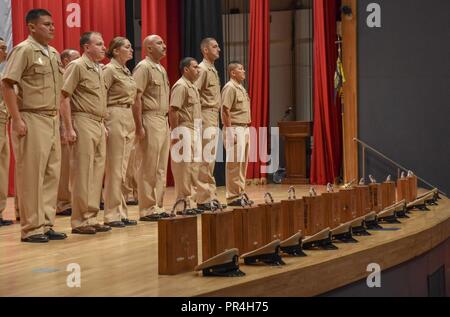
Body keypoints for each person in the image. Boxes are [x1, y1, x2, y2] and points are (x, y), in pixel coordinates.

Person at [1, 9, 67, 242]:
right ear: (31, 27)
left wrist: (60, 123)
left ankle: (46, 223)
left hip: (51, 118)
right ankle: (31, 228)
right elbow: (8, 85)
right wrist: (17, 119)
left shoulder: (53, 53)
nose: (52, 28)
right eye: (46, 24)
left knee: (51, 174)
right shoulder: (24, 50)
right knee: (32, 174)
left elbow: (58, 92)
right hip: (31, 117)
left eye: (53, 24)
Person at [60, 32, 110, 235]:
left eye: (103, 43)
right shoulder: (77, 66)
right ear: (86, 47)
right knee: (83, 172)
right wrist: (69, 127)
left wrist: (104, 123)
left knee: (97, 173)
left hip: (98, 123)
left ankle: (91, 216)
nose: (103, 47)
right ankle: (79, 220)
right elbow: (64, 98)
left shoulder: (98, 68)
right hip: (83, 121)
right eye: (99, 44)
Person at [132, 35, 171, 221]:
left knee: (161, 167)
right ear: (148, 48)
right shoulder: (143, 67)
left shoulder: (161, 69)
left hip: (163, 120)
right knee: (148, 165)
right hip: (150, 118)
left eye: (163, 42)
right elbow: (136, 98)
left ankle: (157, 205)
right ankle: (146, 208)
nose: (164, 46)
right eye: (159, 43)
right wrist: (139, 126)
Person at [103, 37, 138, 227]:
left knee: (126, 169)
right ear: (116, 51)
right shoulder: (109, 70)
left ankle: (122, 211)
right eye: (127, 46)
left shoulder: (126, 71)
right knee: (115, 167)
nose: (131, 49)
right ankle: (111, 213)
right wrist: (103, 120)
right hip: (114, 113)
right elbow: (101, 94)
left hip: (127, 113)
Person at [193, 38, 224, 211]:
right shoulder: (202, 69)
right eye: (214, 46)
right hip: (205, 114)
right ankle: (203, 198)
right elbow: (194, 92)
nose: (218, 49)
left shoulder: (211, 69)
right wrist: (198, 118)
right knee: (205, 159)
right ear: (205, 50)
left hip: (213, 114)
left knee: (210, 159)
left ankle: (210, 195)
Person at [169, 57, 202, 213]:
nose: (198, 69)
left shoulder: (193, 87)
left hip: (193, 129)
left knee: (193, 168)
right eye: (195, 67)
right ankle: (182, 204)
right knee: (183, 169)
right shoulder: (181, 86)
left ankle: (190, 203)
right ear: (186, 69)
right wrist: (175, 133)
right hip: (183, 129)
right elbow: (173, 110)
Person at [221, 62, 252, 206]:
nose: (243, 71)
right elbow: (225, 110)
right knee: (234, 164)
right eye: (240, 69)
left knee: (242, 164)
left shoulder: (240, 88)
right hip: (235, 128)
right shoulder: (230, 87)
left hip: (244, 128)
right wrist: (229, 130)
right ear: (233, 73)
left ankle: (240, 193)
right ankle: (233, 196)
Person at [56, 49, 80, 217]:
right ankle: (62, 203)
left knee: (70, 165)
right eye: (74, 58)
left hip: (68, 120)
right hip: (58, 120)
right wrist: (65, 126)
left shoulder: (72, 72)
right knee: (63, 165)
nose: (78, 61)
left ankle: (69, 200)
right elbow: (62, 99)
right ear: (65, 60)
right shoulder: (64, 74)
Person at [0, 37, 13, 227]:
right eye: (1, 47)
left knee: (2, 168)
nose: (5, 51)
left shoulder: (4, 71)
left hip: (4, 121)